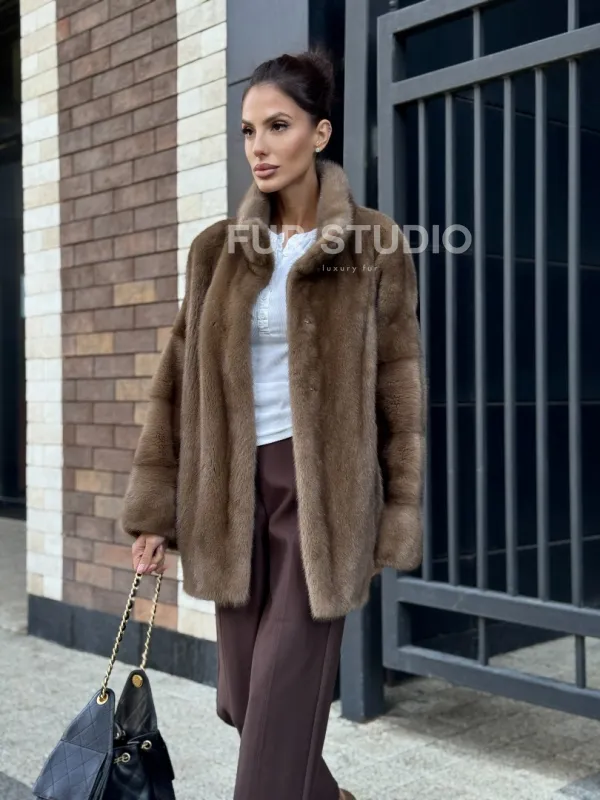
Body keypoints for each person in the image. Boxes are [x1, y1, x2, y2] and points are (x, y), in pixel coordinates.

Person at [121, 47, 426, 800]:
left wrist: (396, 513)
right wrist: (156, 510)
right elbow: (177, 380)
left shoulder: (373, 245)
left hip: (322, 500)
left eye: (278, 126)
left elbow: (399, 388)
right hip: (228, 494)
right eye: (248, 130)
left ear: (319, 134)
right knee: (241, 700)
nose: (258, 146)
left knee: (276, 717)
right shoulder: (215, 250)